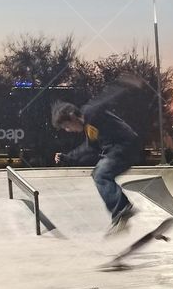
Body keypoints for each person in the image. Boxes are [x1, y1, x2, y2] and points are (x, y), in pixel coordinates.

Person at [52, 77, 140, 230]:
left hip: (125, 144)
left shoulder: (90, 111)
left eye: (67, 126)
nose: (68, 130)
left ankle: (122, 210)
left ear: (73, 116)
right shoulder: (89, 131)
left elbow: (105, 98)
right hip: (119, 150)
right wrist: (67, 157)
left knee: (101, 174)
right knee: (98, 174)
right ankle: (121, 211)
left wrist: (126, 83)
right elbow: (88, 148)